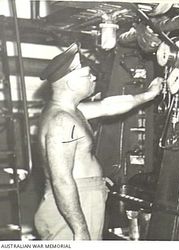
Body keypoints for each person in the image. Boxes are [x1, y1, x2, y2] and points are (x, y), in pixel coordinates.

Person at [34, 43, 163, 240]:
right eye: (87, 75)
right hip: (74, 205)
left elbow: (108, 105)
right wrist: (80, 230)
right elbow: (62, 180)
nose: (93, 77)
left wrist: (148, 95)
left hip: (83, 198)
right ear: (71, 83)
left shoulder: (70, 111)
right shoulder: (61, 121)